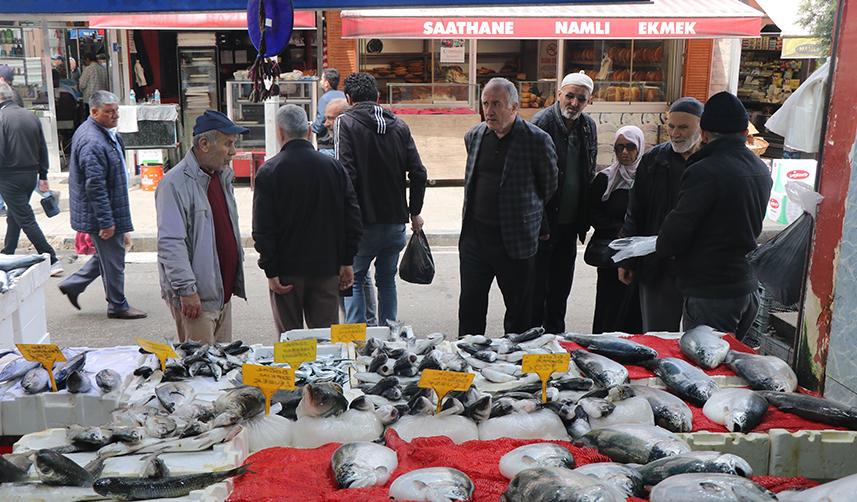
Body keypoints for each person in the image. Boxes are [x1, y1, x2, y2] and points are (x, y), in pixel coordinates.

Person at [656, 91, 772, 341]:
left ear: (705, 133)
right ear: (744, 134)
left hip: (712, 292)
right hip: (746, 288)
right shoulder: (760, 168)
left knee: (705, 370)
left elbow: (676, 231)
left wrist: (663, 247)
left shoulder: (705, 170)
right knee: (730, 366)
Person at [459, 77, 558, 337]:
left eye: (497, 104)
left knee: (519, 311)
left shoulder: (537, 140)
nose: (489, 111)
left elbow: (548, 186)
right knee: (470, 304)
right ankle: (467, 357)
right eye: (485, 104)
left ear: (514, 107)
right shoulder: (475, 135)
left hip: (515, 241)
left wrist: (528, 214)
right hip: (475, 239)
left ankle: (514, 362)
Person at [254, 104, 362, 333]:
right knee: (325, 341)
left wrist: (270, 270)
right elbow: (352, 217)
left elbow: (263, 228)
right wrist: (347, 260)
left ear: (280, 132)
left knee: (291, 342)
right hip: (326, 269)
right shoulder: (333, 167)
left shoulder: (270, 171)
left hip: (286, 272)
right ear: (308, 131)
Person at [334, 72, 427, 326]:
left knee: (352, 282)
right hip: (395, 222)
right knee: (386, 281)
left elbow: (346, 176)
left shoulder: (345, 123)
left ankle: (356, 343)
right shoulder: (400, 125)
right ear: (377, 97)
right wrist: (413, 210)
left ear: (348, 98)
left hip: (362, 224)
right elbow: (419, 172)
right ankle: (389, 338)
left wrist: (344, 219)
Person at [156, 110, 248, 343]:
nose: (233, 152)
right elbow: (171, 243)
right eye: (228, 144)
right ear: (204, 144)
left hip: (221, 295)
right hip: (197, 301)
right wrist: (187, 291)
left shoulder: (222, 175)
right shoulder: (173, 184)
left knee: (224, 367)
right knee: (200, 372)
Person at [58, 90, 146, 320]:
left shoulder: (103, 132)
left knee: (109, 254)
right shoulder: (92, 140)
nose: (115, 115)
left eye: (116, 110)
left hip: (110, 206)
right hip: (102, 212)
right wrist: (106, 221)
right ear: (94, 112)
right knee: (114, 258)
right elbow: (94, 186)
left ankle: (74, 284)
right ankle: (117, 305)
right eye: (109, 112)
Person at [619, 97, 704, 332]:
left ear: (701, 127)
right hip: (657, 263)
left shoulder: (710, 162)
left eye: (683, 127)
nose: (676, 133)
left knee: (698, 341)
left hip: (699, 267)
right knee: (657, 335)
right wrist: (628, 258)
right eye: (671, 126)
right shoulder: (654, 160)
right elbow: (635, 210)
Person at [530, 71, 597, 334]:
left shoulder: (588, 126)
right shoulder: (540, 124)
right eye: (569, 96)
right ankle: (533, 341)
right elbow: (530, 178)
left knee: (560, 288)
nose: (574, 103)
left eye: (581, 99)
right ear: (558, 95)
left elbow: (588, 171)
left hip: (570, 223)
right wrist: (541, 222)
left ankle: (556, 342)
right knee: (537, 289)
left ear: (588, 101)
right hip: (543, 224)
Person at [323, 97, 380, 325]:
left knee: (353, 275)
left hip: (352, 224)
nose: (326, 123)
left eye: (330, 118)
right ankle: (366, 323)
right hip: (350, 223)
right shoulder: (337, 144)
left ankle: (358, 327)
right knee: (361, 275)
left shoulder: (350, 143)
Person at [0, 83, 62, 276]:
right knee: (16, 215)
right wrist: (43, 175)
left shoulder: (1, 117)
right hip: (30, 175)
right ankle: (8, 252)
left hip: (9, 176)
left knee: (25, 218)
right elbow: (42, 147)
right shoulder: (30, 115)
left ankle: (51, 258)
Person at [589, 126, 645, 334]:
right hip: (610, 255)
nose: (624, 152)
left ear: (639, 148)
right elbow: (592, 211)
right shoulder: (605, 178)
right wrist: (619, 230)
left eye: (630, 147)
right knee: (608, 304)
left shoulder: (646, 178)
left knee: (633, 306)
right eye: (619, 147)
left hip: (637, 253)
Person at [312, 68, 346, 155]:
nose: (320, 82)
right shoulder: (344, 96)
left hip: (327, 146)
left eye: (322, 79)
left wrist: (311, 128)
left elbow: (321, 121)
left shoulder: (325, 98)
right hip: (343, 144)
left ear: (327, 83)